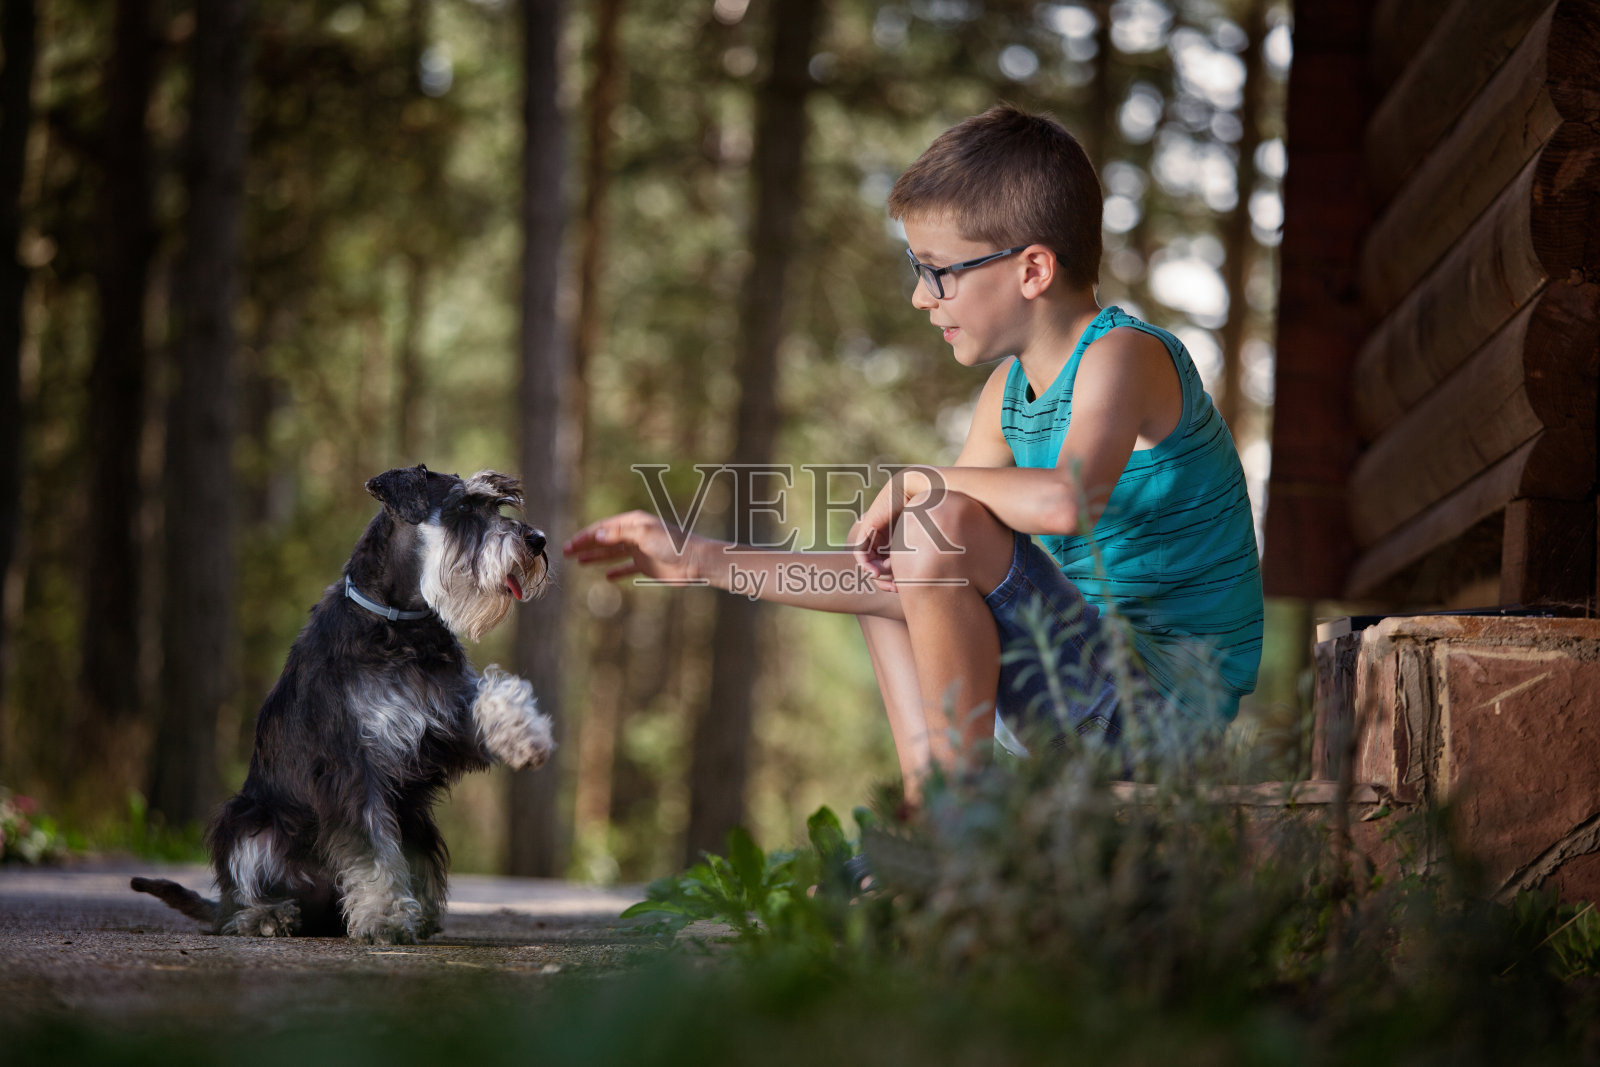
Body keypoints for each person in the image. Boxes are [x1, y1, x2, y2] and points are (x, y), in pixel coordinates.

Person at [564, 105, 1263, 801]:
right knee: (906, 548)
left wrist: (918, 480)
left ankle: (959, 830)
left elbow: (1065, 500)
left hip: (1166, 721)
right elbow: (917, 569)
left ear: (1032, 270)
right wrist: (702, 559)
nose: (920, 296)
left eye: (938, 270)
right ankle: (931, 810)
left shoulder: (1124, 354)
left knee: (938, 518)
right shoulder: (1007, 394)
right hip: (1088, 694)